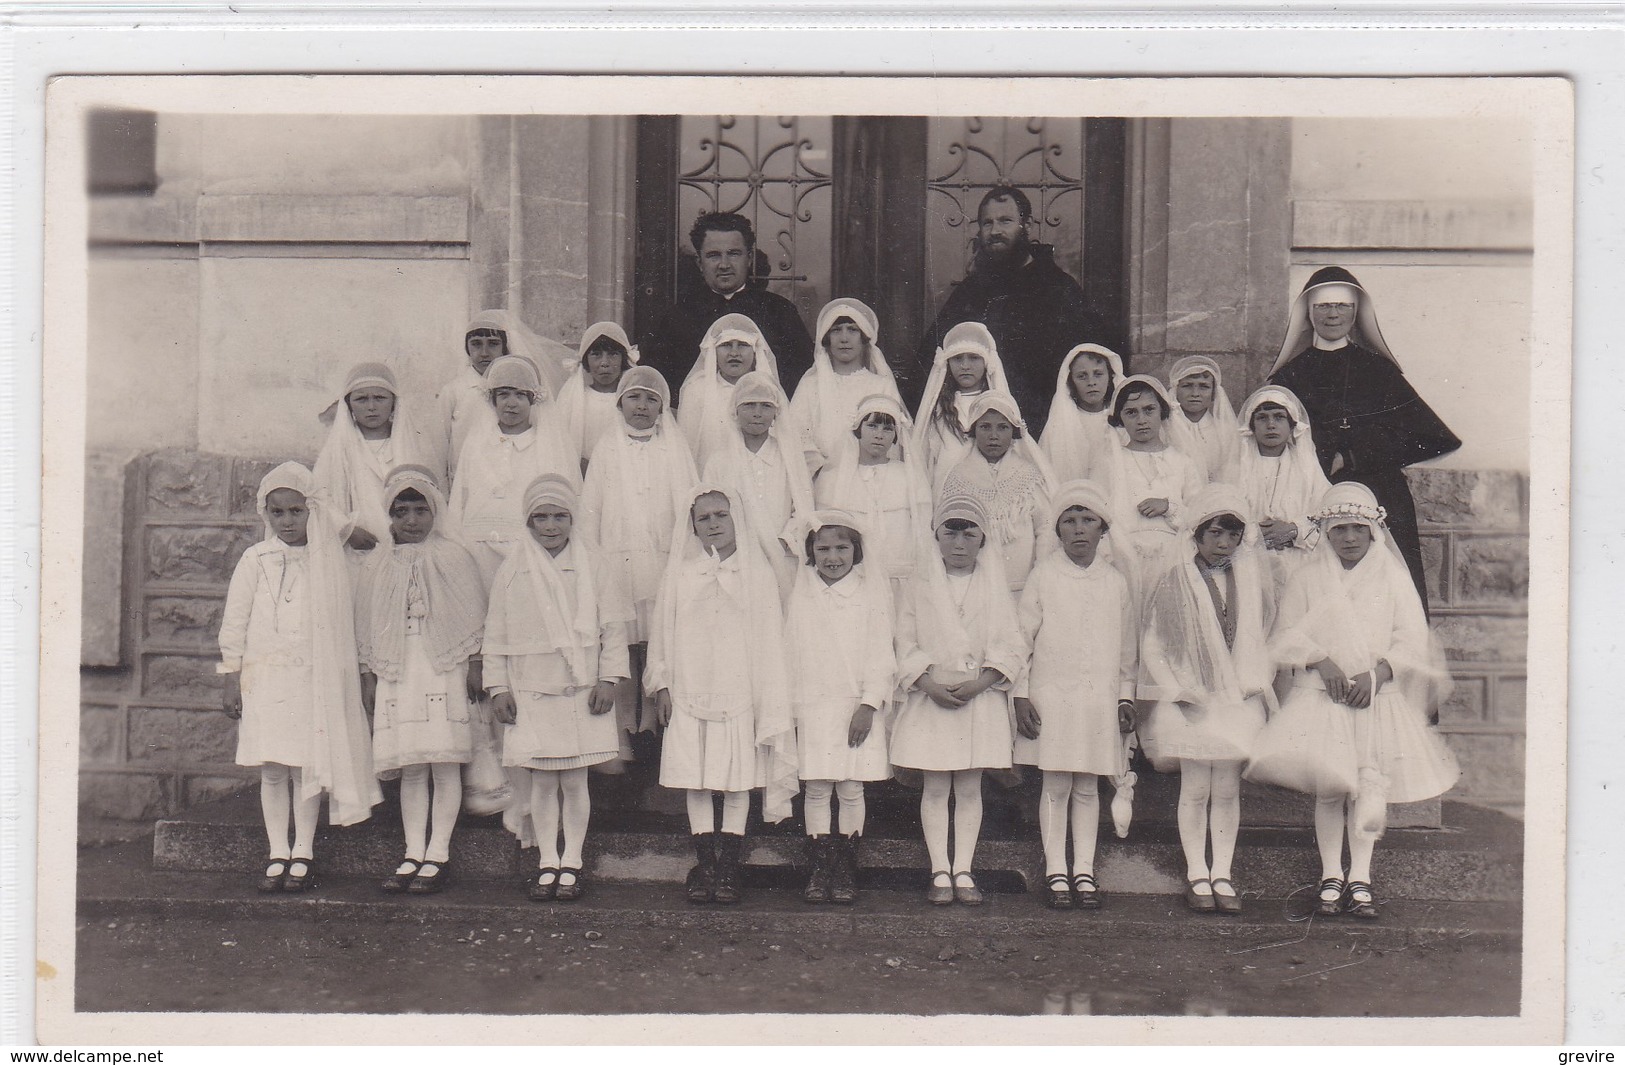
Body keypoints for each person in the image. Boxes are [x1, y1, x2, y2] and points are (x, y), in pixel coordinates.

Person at [1247, 483, 1460, 921]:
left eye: (1357, 529)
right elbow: (1286, 633)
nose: (1348, 538)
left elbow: (1411, 637)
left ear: (1372, 532)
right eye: (1339, 529)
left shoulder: (1393, 578)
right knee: (1330, 789)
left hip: (1374, 697)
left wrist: (1377, 674)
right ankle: (1330, 875)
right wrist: (1320, 661)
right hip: (1323, 696)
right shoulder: (1308, 576)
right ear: (1326, 531)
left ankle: (1360, 878)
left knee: (1367, 785)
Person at [218, 463, 382, 893]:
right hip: (267, 676)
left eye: (296, 511)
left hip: (313, 676)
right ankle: (277, 850)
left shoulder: (331, 562)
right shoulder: (256, 559)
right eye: (278, 513)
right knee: (273, 766)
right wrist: (231, 675)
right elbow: (235, 621)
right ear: (265, 514)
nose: (287, 521)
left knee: (306, 764)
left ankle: (303, 850)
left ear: (311, 511)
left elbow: (354, 618)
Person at [1268, 267, 1462, 610]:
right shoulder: (1290, 374)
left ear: (1356, 312)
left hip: (1380, 494)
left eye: (1341, 306)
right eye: (1323, 306)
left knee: (1387, 592)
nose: (1332, 314)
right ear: (1309, 313)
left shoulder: (1379, 370)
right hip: (1315, 493)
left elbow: (1436, 438)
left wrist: (1357, 456)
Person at [645, 484, 799, 906]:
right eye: (704, 518)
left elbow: (770, 641)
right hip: (690, 688)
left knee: (735, 783)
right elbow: (662, 632)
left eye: (721, 515)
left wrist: (765, 700)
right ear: (692, 526)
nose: (713, 524)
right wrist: (662, 685)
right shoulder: (680, 573)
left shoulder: (758, 574)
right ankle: (705, 862)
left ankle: (729, 864)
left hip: (740, 692)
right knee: (696, 781)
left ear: (736, 519)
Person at [484, 474, 632, 903]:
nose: (551, 526)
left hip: (582, 689)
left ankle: (573, 862)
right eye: (540, 518)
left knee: (575, 781)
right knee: (544, 783)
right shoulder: (512, 568)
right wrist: (498, 688)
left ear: (573, 518)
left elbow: (613, 628)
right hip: (532, 689)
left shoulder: (595, 563)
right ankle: (548, 859)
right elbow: (496, 633)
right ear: (527, 522)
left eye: (560, 516)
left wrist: (608, 679)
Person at [1136, 485, 1274, 916]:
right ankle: (1197, 871)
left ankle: (1223, 872)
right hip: (1192, 699)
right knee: (1196, 787)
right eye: (1213, 533)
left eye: (1232, 535)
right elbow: (1153, 646)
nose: (1223, 543)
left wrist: (1254, 679)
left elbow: (1258, 635)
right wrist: (1178, 691)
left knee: (1227, 789)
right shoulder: (1175, 580)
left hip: (1236, 698)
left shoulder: (1247, 580)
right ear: (1195, 536)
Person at [356, 466, 488, 896]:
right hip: (398, 667)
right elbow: (367, 621)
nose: (411, 520)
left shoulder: (454, 555)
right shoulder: (377, 562)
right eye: (401, 511)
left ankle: (439, 853)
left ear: (435, 512)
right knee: (413, 767)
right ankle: (413, 851)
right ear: (389, 515)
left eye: (420, 510)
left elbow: (472, 612)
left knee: (445, 764)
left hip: (443, 665)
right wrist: (369, 673)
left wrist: (474, 664)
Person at [890, 495, 1024, 907]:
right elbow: (904, 640)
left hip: (977, 699)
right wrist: (927, 682)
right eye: (951, 531)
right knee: (935, 787)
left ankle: (963, 868)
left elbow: (1010, 641)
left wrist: (982, 682)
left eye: (970, 532)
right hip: (933, 696)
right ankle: (939, 870)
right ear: (937, 536)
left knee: (969, 788)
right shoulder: (919, 585)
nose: (960, 542)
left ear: (983, 539)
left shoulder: (995, 586)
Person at [1012, 481, 1138, 910]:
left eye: (1089, 521)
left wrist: (1125, 697)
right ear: (1058, 530)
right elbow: (1021, 640)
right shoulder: (1044, 575)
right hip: (1052, 696)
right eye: (1070, 521)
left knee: (1088, 785)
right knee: (1055, 783)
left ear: (1103, 529)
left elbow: (1127, 648)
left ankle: (1084, 869)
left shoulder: (1116, 581)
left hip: (1097, 699)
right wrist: (1020, 695)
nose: (1079, 530)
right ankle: (1055, 871)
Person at [578, 366, 699, 751]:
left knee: (656, 640)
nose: (642, 406)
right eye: (634, 397)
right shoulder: (607, 447)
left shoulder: (675, 449)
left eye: (651, 399)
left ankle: (653, 727)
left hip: (662, 559)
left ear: (662, 407)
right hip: (617, 560)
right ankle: (622, 732)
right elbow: (591, 509)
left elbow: (687, 507)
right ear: (620, 404)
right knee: (622, 641)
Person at [918, 185, 1103, 433]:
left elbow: (1088, 362)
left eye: (1005, 221)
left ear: (1026, 226)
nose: (995, 231)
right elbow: (935, 355)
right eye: (987, 223)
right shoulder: (971, 290)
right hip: (980, 428)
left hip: (1043, 426)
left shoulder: (1058, 287)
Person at [784, 513, 897, 905]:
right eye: (823, 548)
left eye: (842, 548)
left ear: (856, 550)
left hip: (855, 706)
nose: (833, 557)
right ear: (811, 553)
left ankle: (846, 866)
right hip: (813, 705)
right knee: (816, 788)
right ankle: (819, 866)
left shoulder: (870, 595)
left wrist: (868, 704)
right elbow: (790, 655)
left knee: (850, 788)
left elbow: (882, 655)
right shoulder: (801, 594)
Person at [638, 212, 815, 397]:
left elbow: (803, 382)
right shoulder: (677, 317)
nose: (724, 264)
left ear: (749, 258)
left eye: (733, 254)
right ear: (699, 262)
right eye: (713, 255)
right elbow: (656, 384)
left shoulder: (780, 312)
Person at [447, 354, 581, 586]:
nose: (511, 403)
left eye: (520, 395)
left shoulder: (547, 445)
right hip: (477, 545)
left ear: (533, 400)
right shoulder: (476, 442)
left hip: (526, 546)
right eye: (504, 394)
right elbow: (460, 495)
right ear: (492, 399)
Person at [702, 370, 816, 603]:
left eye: (765, 406)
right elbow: (709, 510)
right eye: (749, 405)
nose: (757, 413)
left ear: (776, 412)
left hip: (783, 555)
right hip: (736, 556)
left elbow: (803, 506)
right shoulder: (719, 460)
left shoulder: (790, 457)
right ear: (735, 410)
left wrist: (784, 540)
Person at [812, 394, 934, 610]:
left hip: (902, 577)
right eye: (872, 426)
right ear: (858, 429)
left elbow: (923, 528)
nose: (879, 435)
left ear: (896, 435)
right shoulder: (834, 478)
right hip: (856, 578)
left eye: (887, 429)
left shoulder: (908, 475)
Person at [430, 311, 574, 490]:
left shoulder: (524, 389)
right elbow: (438, 448)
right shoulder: (453, 392)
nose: (484, 352)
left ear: (505, 347)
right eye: (476, 344)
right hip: (468, 482)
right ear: (467, 348)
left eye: (493, 344)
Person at [1097, 375, 1205, 606]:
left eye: (1149, 410)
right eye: (1131, 412)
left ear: (1163, 413)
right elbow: (1098, 515)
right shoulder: (1109, 462)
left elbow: (1200, 516)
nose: (1141, 420)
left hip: (1174, 560)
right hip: (1123, 559)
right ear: (1120, 418)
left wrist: (1169, 507)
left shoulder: (1182, 462)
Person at [937, 391, 1058, 593]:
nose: (994, 435)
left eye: (1002, 427)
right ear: (974, 431)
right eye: (985, 427)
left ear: (1014, 432)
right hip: (977, 587)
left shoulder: (1028, 475)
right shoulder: (959, 476)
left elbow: (1045, 529)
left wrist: (1040, 575)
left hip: (1023, 584)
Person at [312, 362, 430, 569]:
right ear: (349, 405)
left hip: (406, 547)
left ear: (393, 403)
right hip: (359, 551)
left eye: (380, 398)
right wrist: (347, 530)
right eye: (361, 399)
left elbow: (430, 496)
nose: (371, 407)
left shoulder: (412, 444)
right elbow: (319, 498)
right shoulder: (337, 449)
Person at [1226, 385, 1333, 603]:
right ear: (1251, 426)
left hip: (1299, 561)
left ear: (1292, 425)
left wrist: (1294, 529)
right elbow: (1220, 515)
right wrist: (1253, 535)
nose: (1271, 425)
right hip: (1247, 563)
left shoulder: (1308, 469)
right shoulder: (1234, 469)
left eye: (1279, 417)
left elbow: (1328, 515)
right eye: (1262, 418)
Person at [788, 298, 903, 478]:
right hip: (821, 477)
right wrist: (823, 471)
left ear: (864, 337)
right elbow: (795, 433)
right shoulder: (810, 384)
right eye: (836, 331)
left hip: (869, 477)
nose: (844, 338)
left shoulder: (881, 385)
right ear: (827, 338)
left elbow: (893, 439)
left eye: (852, 330)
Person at [911, 321, 1014, 499]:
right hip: (946, 487)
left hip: (987, 488)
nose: (965, 366)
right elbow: (928, 456)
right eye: (958, 358)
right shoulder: (939, 408)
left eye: (973, 358)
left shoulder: (998, 405)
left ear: (986, 362)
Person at [678, 313, 784, 471]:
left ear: (755, 351)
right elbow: (687, 445)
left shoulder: (768, 389)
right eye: (726, 345)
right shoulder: (697, 389)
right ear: (714, 350)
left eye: (742, 345)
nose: (734, 353)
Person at [557, 322, 639, 474]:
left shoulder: (632, 401)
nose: (604, 363)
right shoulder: (574, 399)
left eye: (613, 354)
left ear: (623, 359)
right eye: (596, 354)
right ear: (586, 360)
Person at [1040, 343, 1125, 486]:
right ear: (1070, 381)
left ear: (1110, 377)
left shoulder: (1124, 419)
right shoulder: (1061, 422)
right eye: (1082, 376)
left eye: (1098, 374)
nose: (1091, 382)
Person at [1164, 355, 1241, 485]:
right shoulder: (1164, 429)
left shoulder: (1227, 431)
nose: (1195, 393)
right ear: (1175, 390)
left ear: (1214, 393)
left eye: (1204, 386)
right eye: (1187, 386)